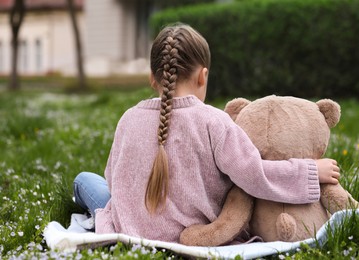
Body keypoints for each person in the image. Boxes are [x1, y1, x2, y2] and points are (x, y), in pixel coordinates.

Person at [73, 23, 340, 243]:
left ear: (152, 78)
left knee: (84, 181)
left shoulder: (128, 118)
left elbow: (113, 178)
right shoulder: (215, 122)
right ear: (203, 76)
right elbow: (256, 175)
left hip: (130, 230)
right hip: (192, 236)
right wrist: (310, 172)